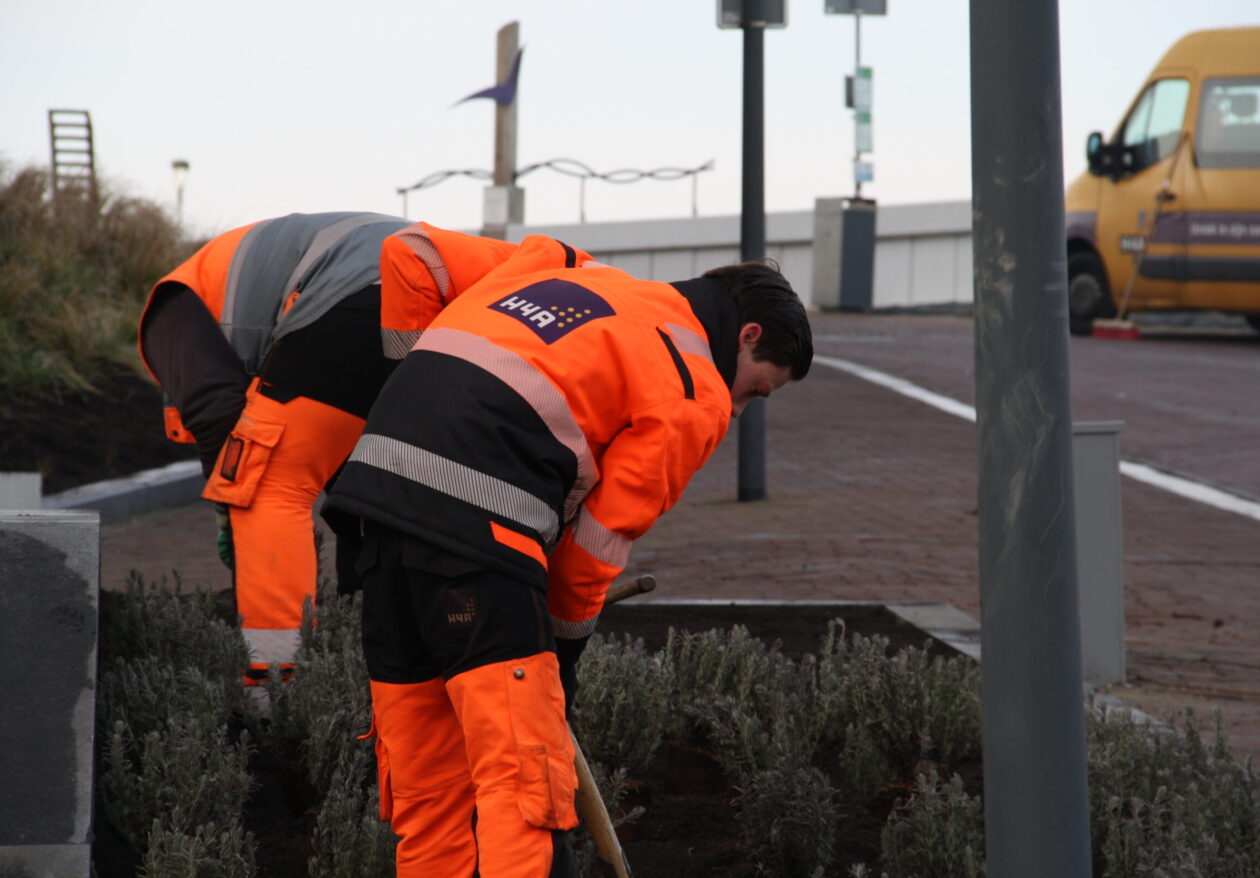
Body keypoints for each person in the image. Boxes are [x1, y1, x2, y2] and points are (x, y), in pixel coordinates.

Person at [324, 238, 813, 878]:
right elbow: (594, 549)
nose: (739, 407)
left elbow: (413, 253)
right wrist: (561, 650)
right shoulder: (694, 386)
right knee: (523, 781)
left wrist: (416, 384)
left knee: (427, 787)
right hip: (480, 533)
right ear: (746, 335)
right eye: (756, 388)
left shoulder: (567, 266)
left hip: (375, 509)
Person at [136, 212, 550, 686]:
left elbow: (215, 411)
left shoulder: (168, 310)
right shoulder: (249, 267)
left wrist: (227, 503)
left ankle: (276, 686)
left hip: (361, 295)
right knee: (377, 496)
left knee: (268, 484)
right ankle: (383, 660)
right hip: (464, 308)